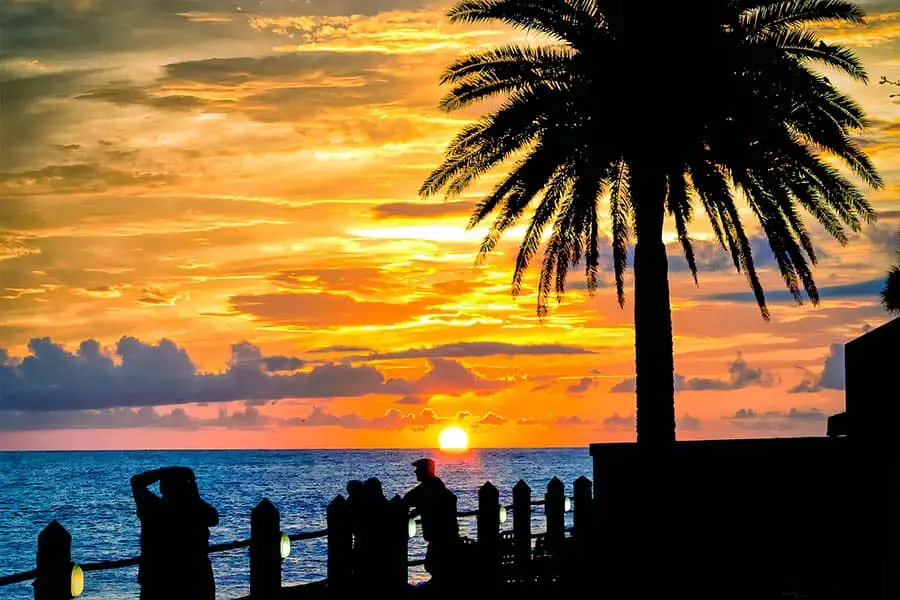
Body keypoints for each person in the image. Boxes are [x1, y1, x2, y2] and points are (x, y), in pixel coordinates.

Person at [131, 466, 218, 600]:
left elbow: (136, 481)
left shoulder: (152, 508)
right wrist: (193, 490)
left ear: (163, 488)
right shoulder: (196, 512)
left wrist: (164, 472)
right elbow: (213, 518)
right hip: (191, 580)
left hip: (155, 579)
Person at [403, 459, 460, 590]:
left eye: (419, 469)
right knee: (436, 564)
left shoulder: (429, 488)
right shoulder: (435, 487)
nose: (415, 471)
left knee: (434, 564)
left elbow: (409, 499)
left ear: (426, 471)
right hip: (444, 535)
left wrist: (412, 512)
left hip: (440, 535)